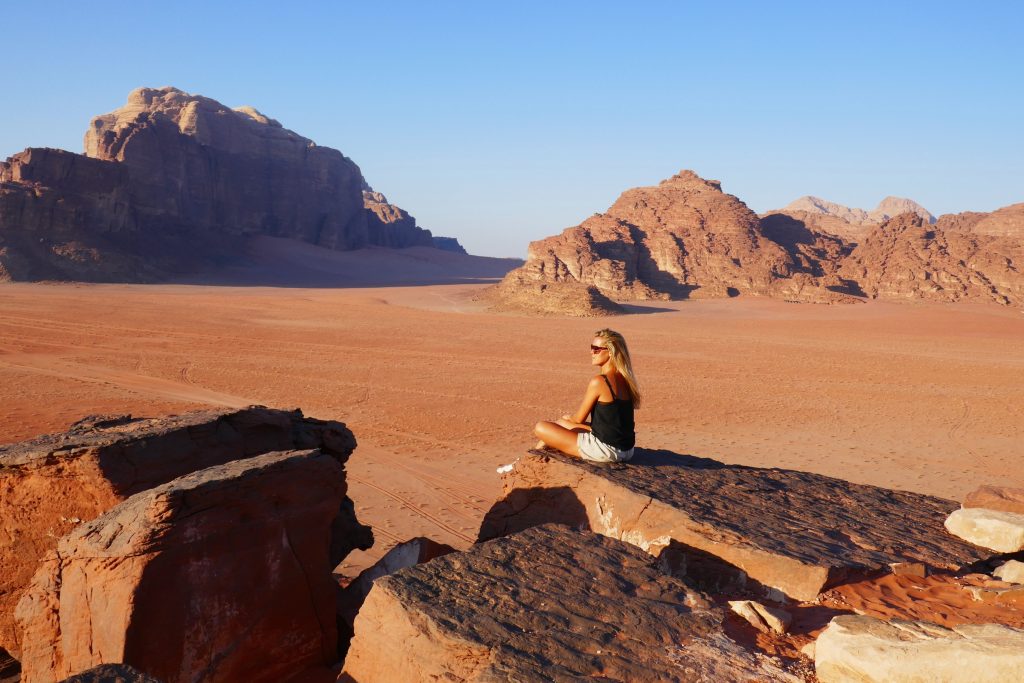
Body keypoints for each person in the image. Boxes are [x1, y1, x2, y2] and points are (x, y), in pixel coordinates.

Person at [533, 328, 641, 462]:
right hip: (627, 450)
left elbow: (578, 419)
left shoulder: (600, 381)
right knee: (561, 423)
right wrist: (566, 422)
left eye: (596, 349)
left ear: (611, 353)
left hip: (606, 450)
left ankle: (526, 463)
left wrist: (569, 418)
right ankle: (529, 460)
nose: (591, 352)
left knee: (541, 427)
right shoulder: (626, 380)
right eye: (592, 347)